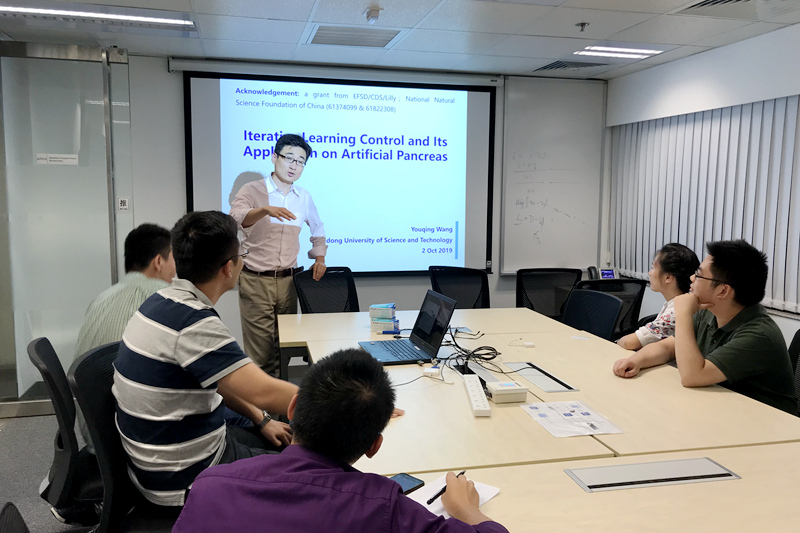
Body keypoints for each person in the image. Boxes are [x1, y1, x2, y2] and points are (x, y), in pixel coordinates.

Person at [173, 349, 508, 533]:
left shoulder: (210, 485)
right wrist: (466, 510)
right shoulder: (383, 509)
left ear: (292, 408)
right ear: (374, 446)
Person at [112, 211, 299, 507]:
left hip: (157, 460)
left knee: (274, 435)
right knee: (306, 474)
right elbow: (264, 392)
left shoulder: (162, 302)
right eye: (242, 255)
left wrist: (262, 419)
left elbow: (219, 380)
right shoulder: (194, 323)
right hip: (185, 478)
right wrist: (346, 402)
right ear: (229, 268)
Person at [54, 224, 175, 526]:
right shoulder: (165, 299)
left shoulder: (103, 296)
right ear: (158, 261)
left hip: (93, 430)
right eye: (174, 257)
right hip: (129, 438)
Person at [613, 239, 796, 414]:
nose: (692, 278)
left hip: (763, 424)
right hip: (721, 409)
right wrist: (637, 360)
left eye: (699, 275)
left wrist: (683, 313)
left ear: (723, 290)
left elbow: (693, 376)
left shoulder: (759, 335)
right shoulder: (709, 312)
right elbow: (668, 347)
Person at [230, 133, 327, 377]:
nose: (294, 166)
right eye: (289, 158)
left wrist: (320, 258)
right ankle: (261, 402)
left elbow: (318, 228)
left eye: (301, 162)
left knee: (284, 348)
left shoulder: (303, 196)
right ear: (275, 157)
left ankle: (280, 399)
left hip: (288, 282)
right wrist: (263, 210)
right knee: (261, 353)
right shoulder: (252, 189)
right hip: (256, 280)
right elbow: (236, 218)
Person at [616, 243, 699, 350]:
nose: (650, 273)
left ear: (668, 277)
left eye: (653, 268)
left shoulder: (675, 312)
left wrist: (618, 341)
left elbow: (629, 342)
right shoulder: (677, 302)